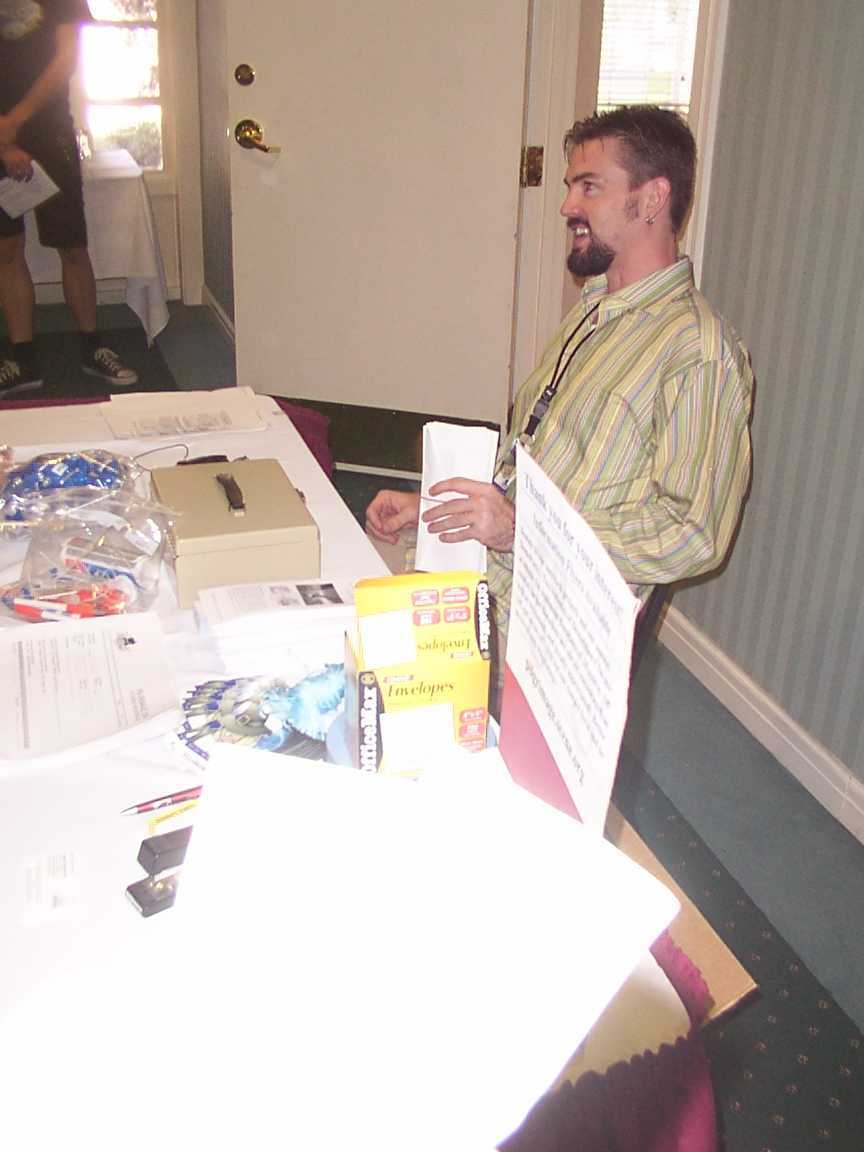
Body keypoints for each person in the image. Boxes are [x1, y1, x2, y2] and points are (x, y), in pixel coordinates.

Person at [365, 105, 754, 701]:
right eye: (572, 186)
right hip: (487, 582)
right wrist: (439, 511)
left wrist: (519, 531)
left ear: (652, 199)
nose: (568, 205)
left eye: (589, 187)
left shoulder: (698, 351)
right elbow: (535, 462)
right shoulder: (595, 311)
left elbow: (692, 532)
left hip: (543, 640)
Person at [0, 0, 138, 396]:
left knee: (72, 246)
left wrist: (15, 121)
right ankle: (23, 360)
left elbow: (66, 59)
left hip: (51, 132)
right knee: (6, 249)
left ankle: (92, 348)